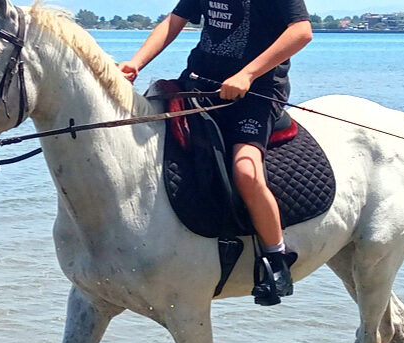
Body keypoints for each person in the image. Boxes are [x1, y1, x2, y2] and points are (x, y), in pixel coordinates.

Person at [118, 0, 312, 305]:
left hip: (256, 93)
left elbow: (301, 32)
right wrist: (136, 62)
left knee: (246, 172)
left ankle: (277, 259)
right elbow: (175, 20)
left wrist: (247, 74)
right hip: (198, 83)